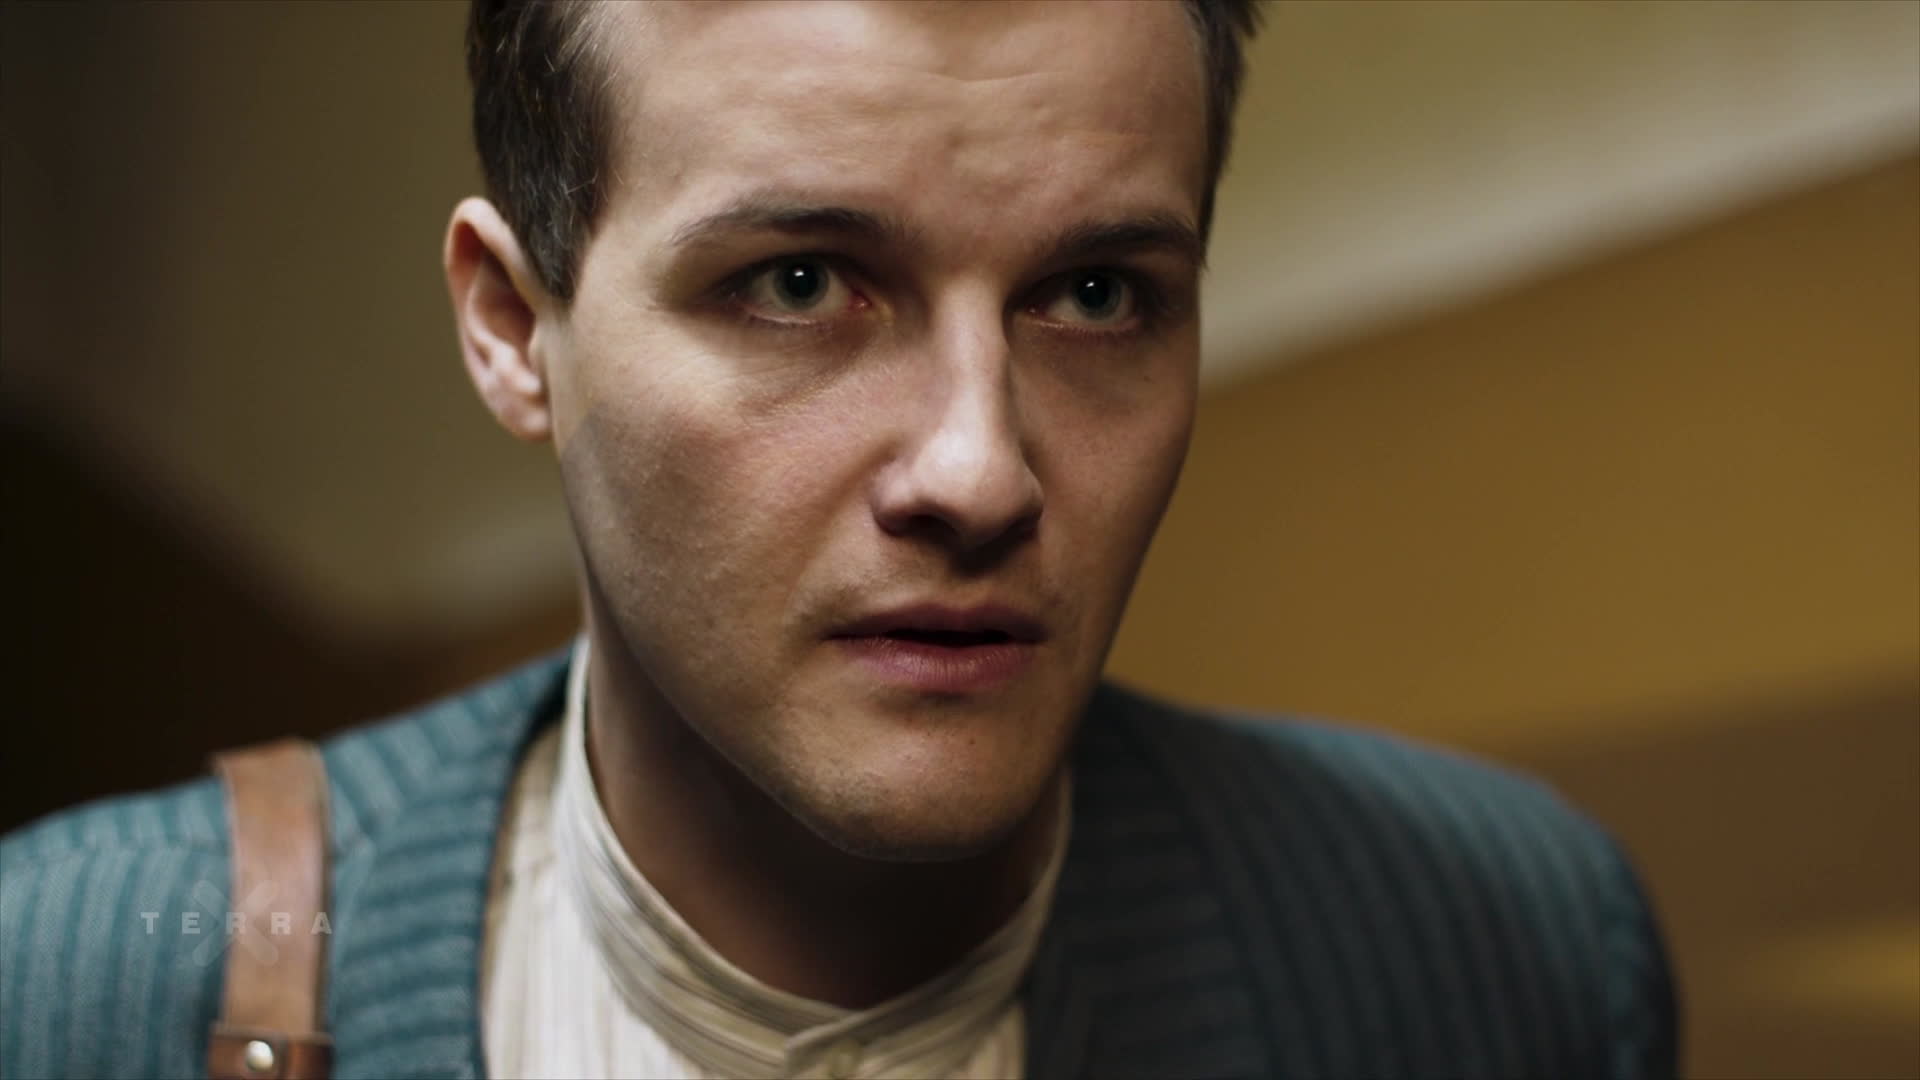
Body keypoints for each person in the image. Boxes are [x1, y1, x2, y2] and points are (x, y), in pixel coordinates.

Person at [0, 2, 1679, 1077]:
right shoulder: (77, 983)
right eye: (798, 284)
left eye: (1098, 295)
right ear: (515, 329)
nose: (978, 469)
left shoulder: (1498, 947)